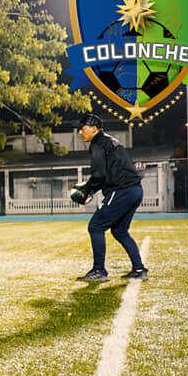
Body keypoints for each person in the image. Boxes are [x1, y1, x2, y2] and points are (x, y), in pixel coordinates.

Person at [70, 113, 147, 282]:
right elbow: (109, 172)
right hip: (135, 190)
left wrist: (87, 189)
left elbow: (99, 174)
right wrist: (91, 188)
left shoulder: (97, 144)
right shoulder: (111, 141)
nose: (79, 133)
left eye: (82, 129)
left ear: (93, 129)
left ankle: (99, 271)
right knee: (119, 231)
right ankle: (139, 269)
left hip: (121, 190)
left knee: (95, 227)